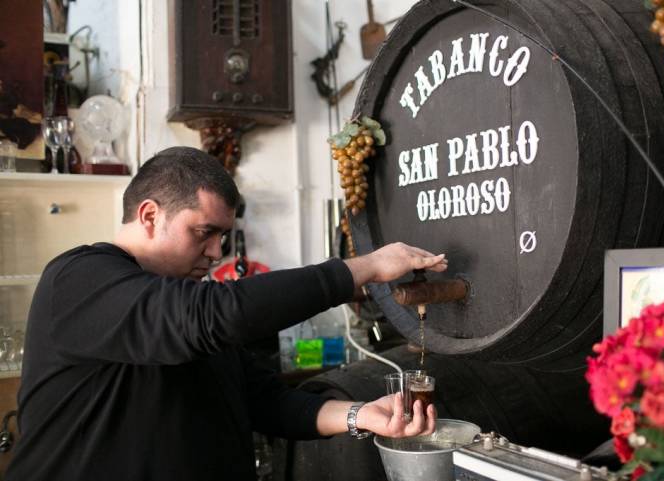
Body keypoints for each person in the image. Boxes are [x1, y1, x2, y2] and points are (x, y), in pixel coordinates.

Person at [6, 147, 446, 481]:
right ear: (149, 215)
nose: (216, 252)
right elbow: (216, 315)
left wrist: (361, 415)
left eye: (223, 236)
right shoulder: (79, 278)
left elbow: (266, 403)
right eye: (204, 232)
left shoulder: (188, 307)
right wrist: (363, 268)